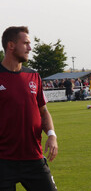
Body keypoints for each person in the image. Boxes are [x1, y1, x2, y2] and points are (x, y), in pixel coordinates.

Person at [0, 26, 58, 191]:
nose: (30, 48)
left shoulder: (33, 76)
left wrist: (52, 135)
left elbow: (43, 111)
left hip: (33, 158)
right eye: (25, 43)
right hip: (3, 161)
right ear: (11, 45)